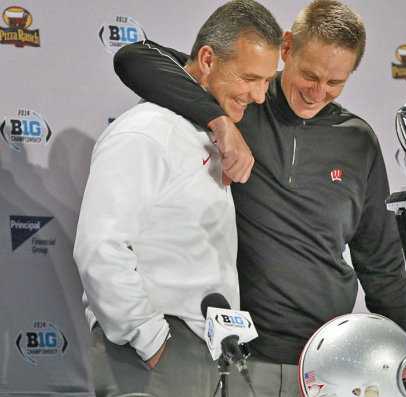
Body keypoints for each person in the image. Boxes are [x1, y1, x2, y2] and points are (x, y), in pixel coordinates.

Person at [112, 1, 406, 396]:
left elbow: (382, 262)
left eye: (335, 82)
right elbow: (134, 57)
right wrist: (219, 122)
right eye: (309, 74)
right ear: (286, 48)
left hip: (330, 365)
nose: (318, 91)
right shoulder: (238, 102)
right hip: (237, 357)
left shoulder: (359, 140)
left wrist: (403, 355)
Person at [73, 1, 282, 396]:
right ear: (206, 59)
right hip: (153, 352)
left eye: (267, 80)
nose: (259, 95)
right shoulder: (147, 132)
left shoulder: (200, 130)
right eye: (251, 77)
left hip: (203, 346)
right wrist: (154, 343)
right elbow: (100, 247)